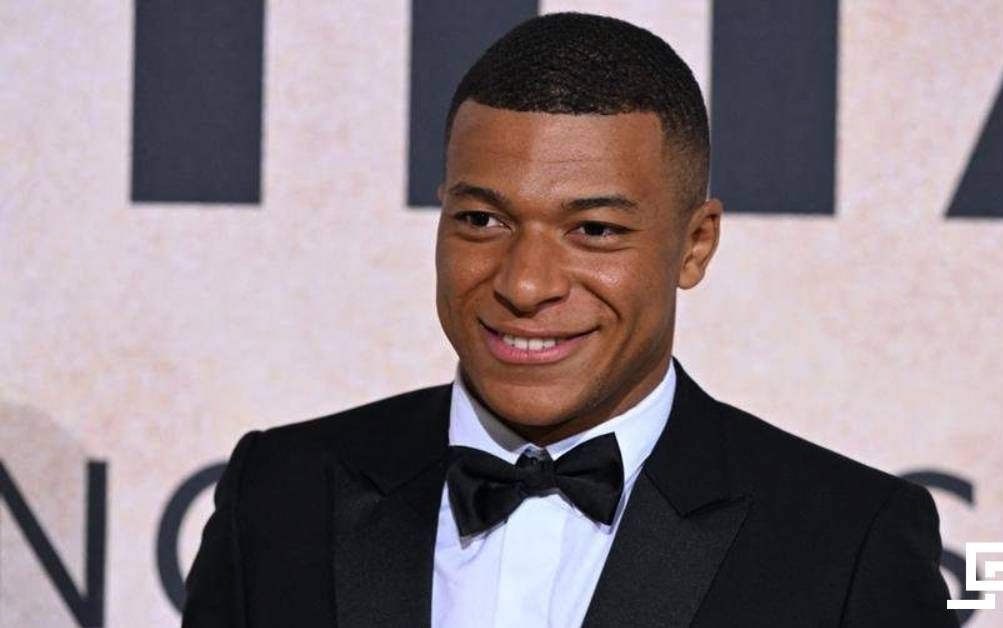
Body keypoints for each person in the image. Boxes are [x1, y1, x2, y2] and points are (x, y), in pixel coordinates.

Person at [183, 12, 958, 628]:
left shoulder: (846, 542)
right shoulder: (278, 498)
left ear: (694, 246)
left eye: (593, 230)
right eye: (483, 220)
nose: (525, 284)